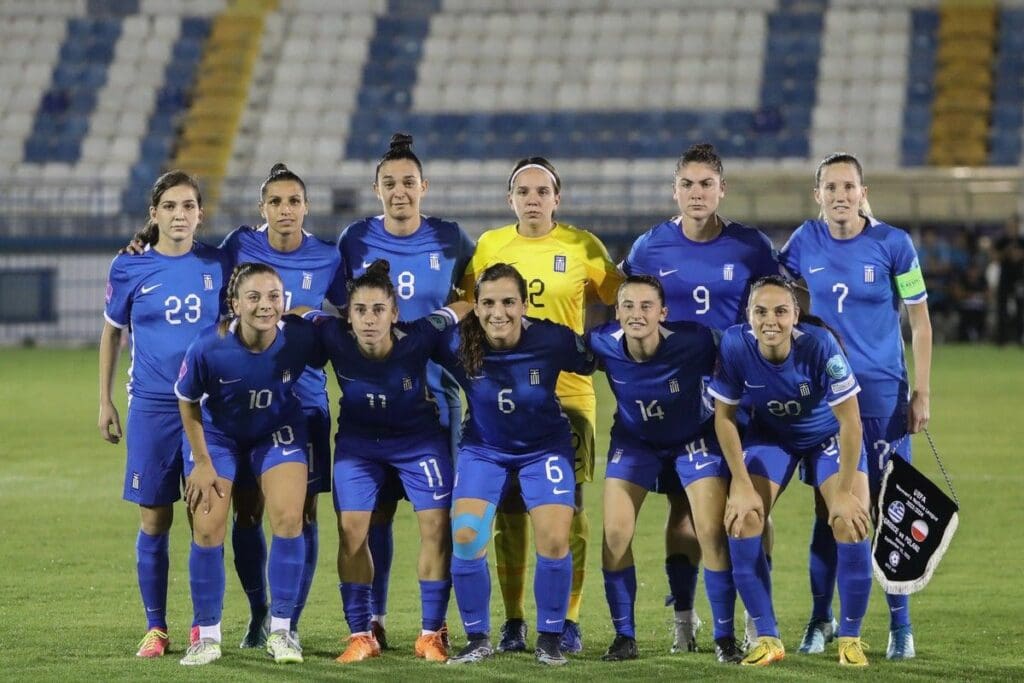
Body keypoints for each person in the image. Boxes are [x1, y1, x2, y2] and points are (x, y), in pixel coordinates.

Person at [460, 157, 621, 654]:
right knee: (507, 511)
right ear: (510, 199)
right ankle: (513, 620)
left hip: (568, 394)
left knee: (569, 511)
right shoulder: (489, 246)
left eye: (542, 191)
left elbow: (620, 300)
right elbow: (469, 308)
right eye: (523, 191)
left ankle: (567, 619)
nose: (533, 199)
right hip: (500, 394)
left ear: (557, 198)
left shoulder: (583, 246)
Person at [621, 143, 778, 651]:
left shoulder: (751, 247)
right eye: (687, 184)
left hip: (741, 398)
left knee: (753, 507)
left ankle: (756, 619)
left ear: (721, 189)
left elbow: (781, 304)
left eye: (706, 184)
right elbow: (627, 304)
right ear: (675, 190)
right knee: (685, 512)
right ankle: (685, 621)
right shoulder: (650, 248)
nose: (696, 193)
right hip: (679, 403)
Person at [779, 153, 932, 660]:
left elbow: (920, 322)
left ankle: (900, 626)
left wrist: (922, 391)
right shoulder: (804, 241)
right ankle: (820, 620)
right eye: (831, 187)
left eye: (849, 186)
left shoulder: (893, 244)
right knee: (830, 510)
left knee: (891, 512)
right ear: (817, 195)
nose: (840, 195)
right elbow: (772, 295)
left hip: (883, 397)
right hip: (825, 402)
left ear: (863, 193)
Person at [337, 133, 475, 647]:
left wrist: (443, 320)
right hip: (375, 399)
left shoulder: (451, 237)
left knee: (444, 516)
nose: (400, 192)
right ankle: (374, 618)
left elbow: (475, 295)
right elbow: (343, 307)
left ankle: (442, 624)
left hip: (438, 398)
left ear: (424, 186)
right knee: (376, 514)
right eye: (390, 183)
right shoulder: (355, 239)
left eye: (408, 182)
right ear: (377, 189)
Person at [308, 261, 471, 664]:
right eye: (360, 310)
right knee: (351, 531)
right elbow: (298, 311)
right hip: (359, 447)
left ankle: (431, 634)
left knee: (437, 527)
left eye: (379, 309)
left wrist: (482, 304)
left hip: (419, 444)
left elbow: (460, 308)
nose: (369, 319)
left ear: (395, 313)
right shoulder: (332, 334)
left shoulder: (419, 335)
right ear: (348, 314)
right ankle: (361, 635)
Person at [436, 263, 596, 666]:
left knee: (555, 539)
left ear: (524, 305)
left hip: (545, 449)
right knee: (467, 536)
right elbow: (407, 344)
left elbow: (599, 357)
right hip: (484, 449)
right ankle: (477, 639)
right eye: (488, 303)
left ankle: (550, 639)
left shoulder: (552, 338)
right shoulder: (456, 342)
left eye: (508, 302)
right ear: (476, 306)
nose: (498, 312)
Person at [98, 171, 230, 658]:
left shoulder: (219, 263)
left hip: (207, 410)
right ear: (154, 213)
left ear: (200, 213)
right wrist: (105, 400)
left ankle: (204, 628)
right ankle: (156, 627)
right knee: (154, 519)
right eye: (170, 206)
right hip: (151, 409)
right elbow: (112, 332)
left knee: (206, 519)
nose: (180, 215)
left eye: (188, 206)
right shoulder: (128, 266)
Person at [709, 275, 873, 667]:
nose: (771, 321)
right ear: (748, 314)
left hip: (827, 437)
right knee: (743, 519)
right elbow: (724, 418)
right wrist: (741, 484)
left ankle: (850, 639)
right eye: (761, 311)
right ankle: (767, 638)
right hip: (773, 437)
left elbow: (851, 423)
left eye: (781, 311)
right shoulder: (734, 344)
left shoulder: (820, 345)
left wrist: (844, 492)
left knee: (849, 522)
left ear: (795, 315)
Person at [217, 163, 345, 649]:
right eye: (275, 201)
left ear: (306, 207)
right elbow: (205, 276)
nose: (285, 210)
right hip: (244, 403)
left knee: (302, 514)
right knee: (247, 512)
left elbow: (349, 317)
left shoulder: (328, 257)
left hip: (304, 402)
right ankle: (258, 612)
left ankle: (288, 622)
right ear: (262, 208)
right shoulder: (239, 246)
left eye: (293, 201)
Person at [587, 276, 742, 664]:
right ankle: (624, 637)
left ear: (663, 313)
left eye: (646, 306)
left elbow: (741, 350)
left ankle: (724, 638)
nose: (636, 314)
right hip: (635, 442)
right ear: (616, 311)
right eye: (628, 306)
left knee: (710, 530)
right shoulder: (601, 342)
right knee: (615, 533)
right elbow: (551, 351)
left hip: (694, 439)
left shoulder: (696, 340)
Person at [174, 263, 318, 666]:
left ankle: (282, 631)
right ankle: (207, 637)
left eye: (273, 296)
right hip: (218, 438)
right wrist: (202, 461)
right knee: (207, 525)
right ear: (235, 304)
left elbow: (339, 337)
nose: (264, 305)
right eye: (253, 297)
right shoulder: (208, 346)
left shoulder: (299, 338)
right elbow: (187, 400)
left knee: (288, 517)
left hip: (277, 432)